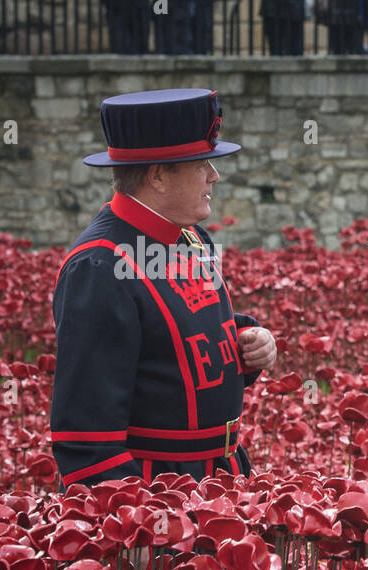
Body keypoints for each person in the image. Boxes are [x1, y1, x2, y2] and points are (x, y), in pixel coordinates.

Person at [51, 89, 276, 489]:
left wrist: (246, 340)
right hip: (159, 493)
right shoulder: (99, 266)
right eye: (202, 164)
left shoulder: (192, 237)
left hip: (223, 478)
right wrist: (138, 526)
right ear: (157, 175)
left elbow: (175, 344)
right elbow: (86, 437)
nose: (214, 176)